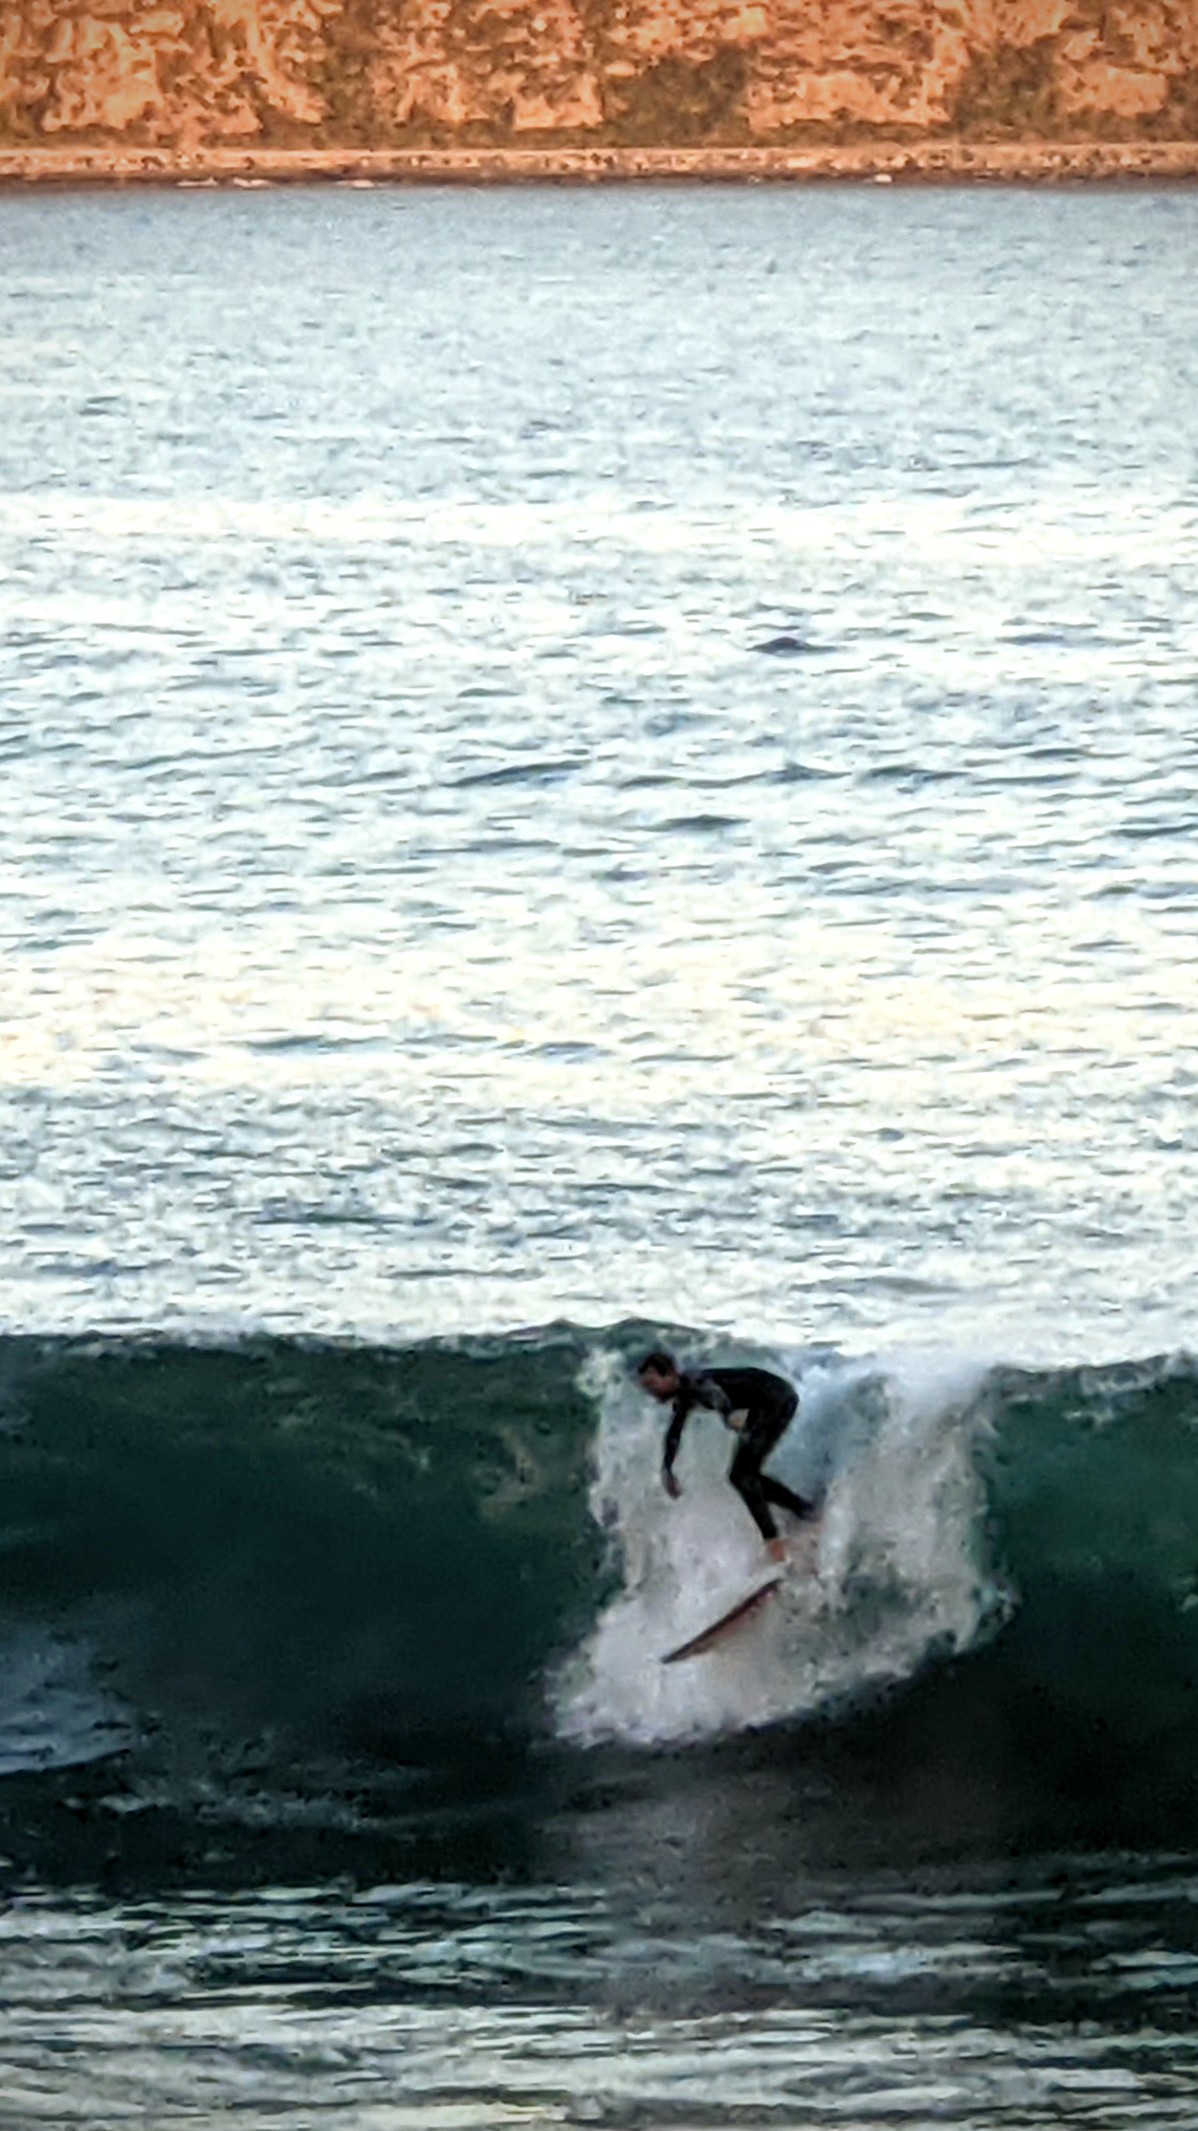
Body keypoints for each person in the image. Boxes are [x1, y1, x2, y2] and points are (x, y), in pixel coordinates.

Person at [637, 1348, 815, 1564]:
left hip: (776, 1399)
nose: (650, 1392)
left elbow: (714, 1393)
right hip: (764, 1403)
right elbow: (674, 1431)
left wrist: (728, 1413)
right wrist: (667, 1468)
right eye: (646, 1387)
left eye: (652, 1384)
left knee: (742, 1475)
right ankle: (804, 1511)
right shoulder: (684, 1393)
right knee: (743, 1476)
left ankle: (775, 1542)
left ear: (671, 1374)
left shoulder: (695, 1381)